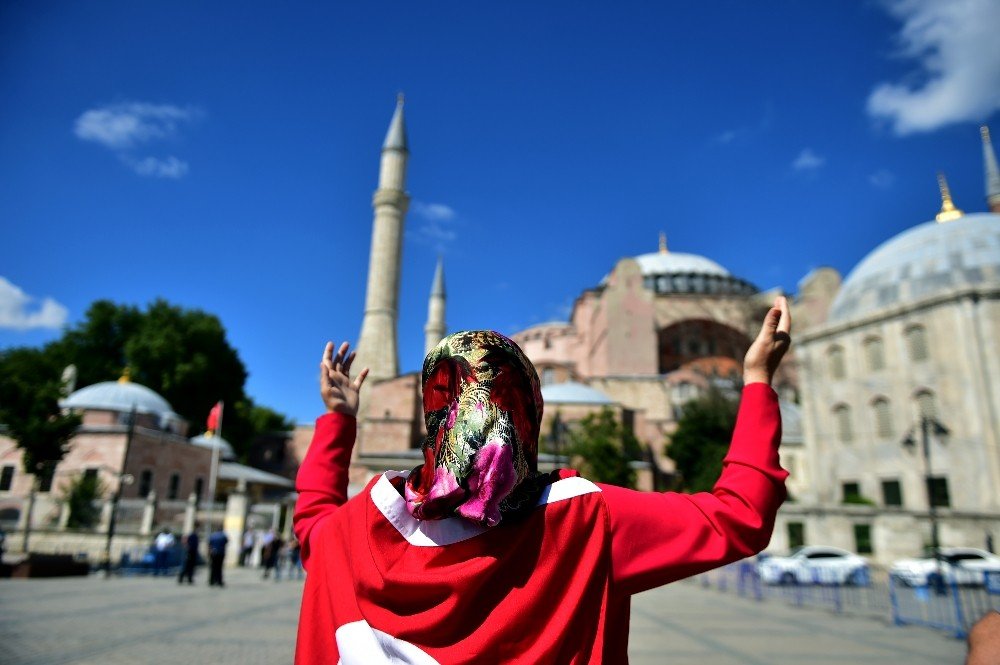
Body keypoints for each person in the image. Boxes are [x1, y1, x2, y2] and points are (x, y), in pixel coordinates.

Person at [294, 298, 791, 663]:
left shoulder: (353, 530)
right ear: (530, 409)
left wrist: (338, 421)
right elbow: (740, 516)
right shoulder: (581, 520)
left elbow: (312, 522)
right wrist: (757, 382)